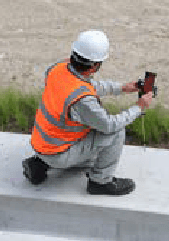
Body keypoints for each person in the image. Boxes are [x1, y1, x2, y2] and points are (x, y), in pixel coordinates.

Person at [22, 29, 154, 196]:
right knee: (116, 132)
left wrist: (122, 87)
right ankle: (100, 182)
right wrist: (139, 107)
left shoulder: (58, 68)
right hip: (59, 152)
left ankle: (40, 165)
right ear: (95, 65)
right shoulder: (83, 101)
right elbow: (109, 125)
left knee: (85, 128)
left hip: (42, 143)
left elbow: (84, 86)